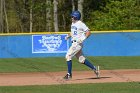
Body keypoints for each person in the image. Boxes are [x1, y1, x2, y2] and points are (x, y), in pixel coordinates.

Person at [63, 10, 100, 80]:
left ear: (76, 17)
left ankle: (69, 75)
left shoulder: (80, 24)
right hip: (74, 43)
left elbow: (88, 32)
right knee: (81, 60)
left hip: (77, 43)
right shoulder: (73, 24)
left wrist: (83, 38)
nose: (71, 17)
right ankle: (95, 68)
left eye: (72, 16)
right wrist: (69, 36)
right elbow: (74, 33)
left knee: (68, 56)